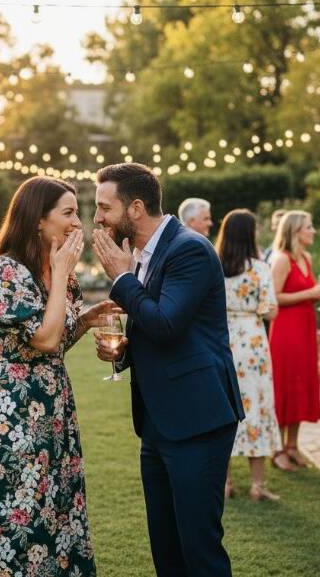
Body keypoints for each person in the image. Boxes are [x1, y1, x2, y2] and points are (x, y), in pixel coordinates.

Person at [92, 163, 244, 577]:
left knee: (199, 547)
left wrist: (122, 276)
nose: (97, 218)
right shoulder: (142, 252)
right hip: (158, 421)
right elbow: (151, 328)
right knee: (166, 542)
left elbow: (167, 322)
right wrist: (122, 352)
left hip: (197, 417)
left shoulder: (188, 249)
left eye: (104, 207)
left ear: (136, 207)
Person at [0, 177, 113, 576]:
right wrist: (60, 275)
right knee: (13, 507)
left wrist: (86, 320)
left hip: (54, 401)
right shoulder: (4, 271)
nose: (78, 222)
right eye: (68, 213)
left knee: (56, 503)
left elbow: (57, 341)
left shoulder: (57, 268)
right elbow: (43, 339)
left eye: (77, 212)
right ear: (38, 220)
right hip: (13, 405)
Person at [215, 209, 288, 502]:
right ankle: (258, 485)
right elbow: (270, 309)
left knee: (224, 408)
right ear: (250, 234)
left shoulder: (214, 265)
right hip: (253, 341)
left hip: (222, 339)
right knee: (256, 405)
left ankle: (226, 482)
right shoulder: (259, 268)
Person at [268, 211, 320, 469]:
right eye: (309, 227)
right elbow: (274, 297)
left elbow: (304, 292)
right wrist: (309, 293)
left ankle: (293, 445)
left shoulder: (306, 258)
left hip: (305, 327)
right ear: (294, 231)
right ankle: (277, 448)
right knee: (285, 383)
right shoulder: (282, 260)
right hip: (286, 330)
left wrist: (315, 295)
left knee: (302, 383)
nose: (313, 231)